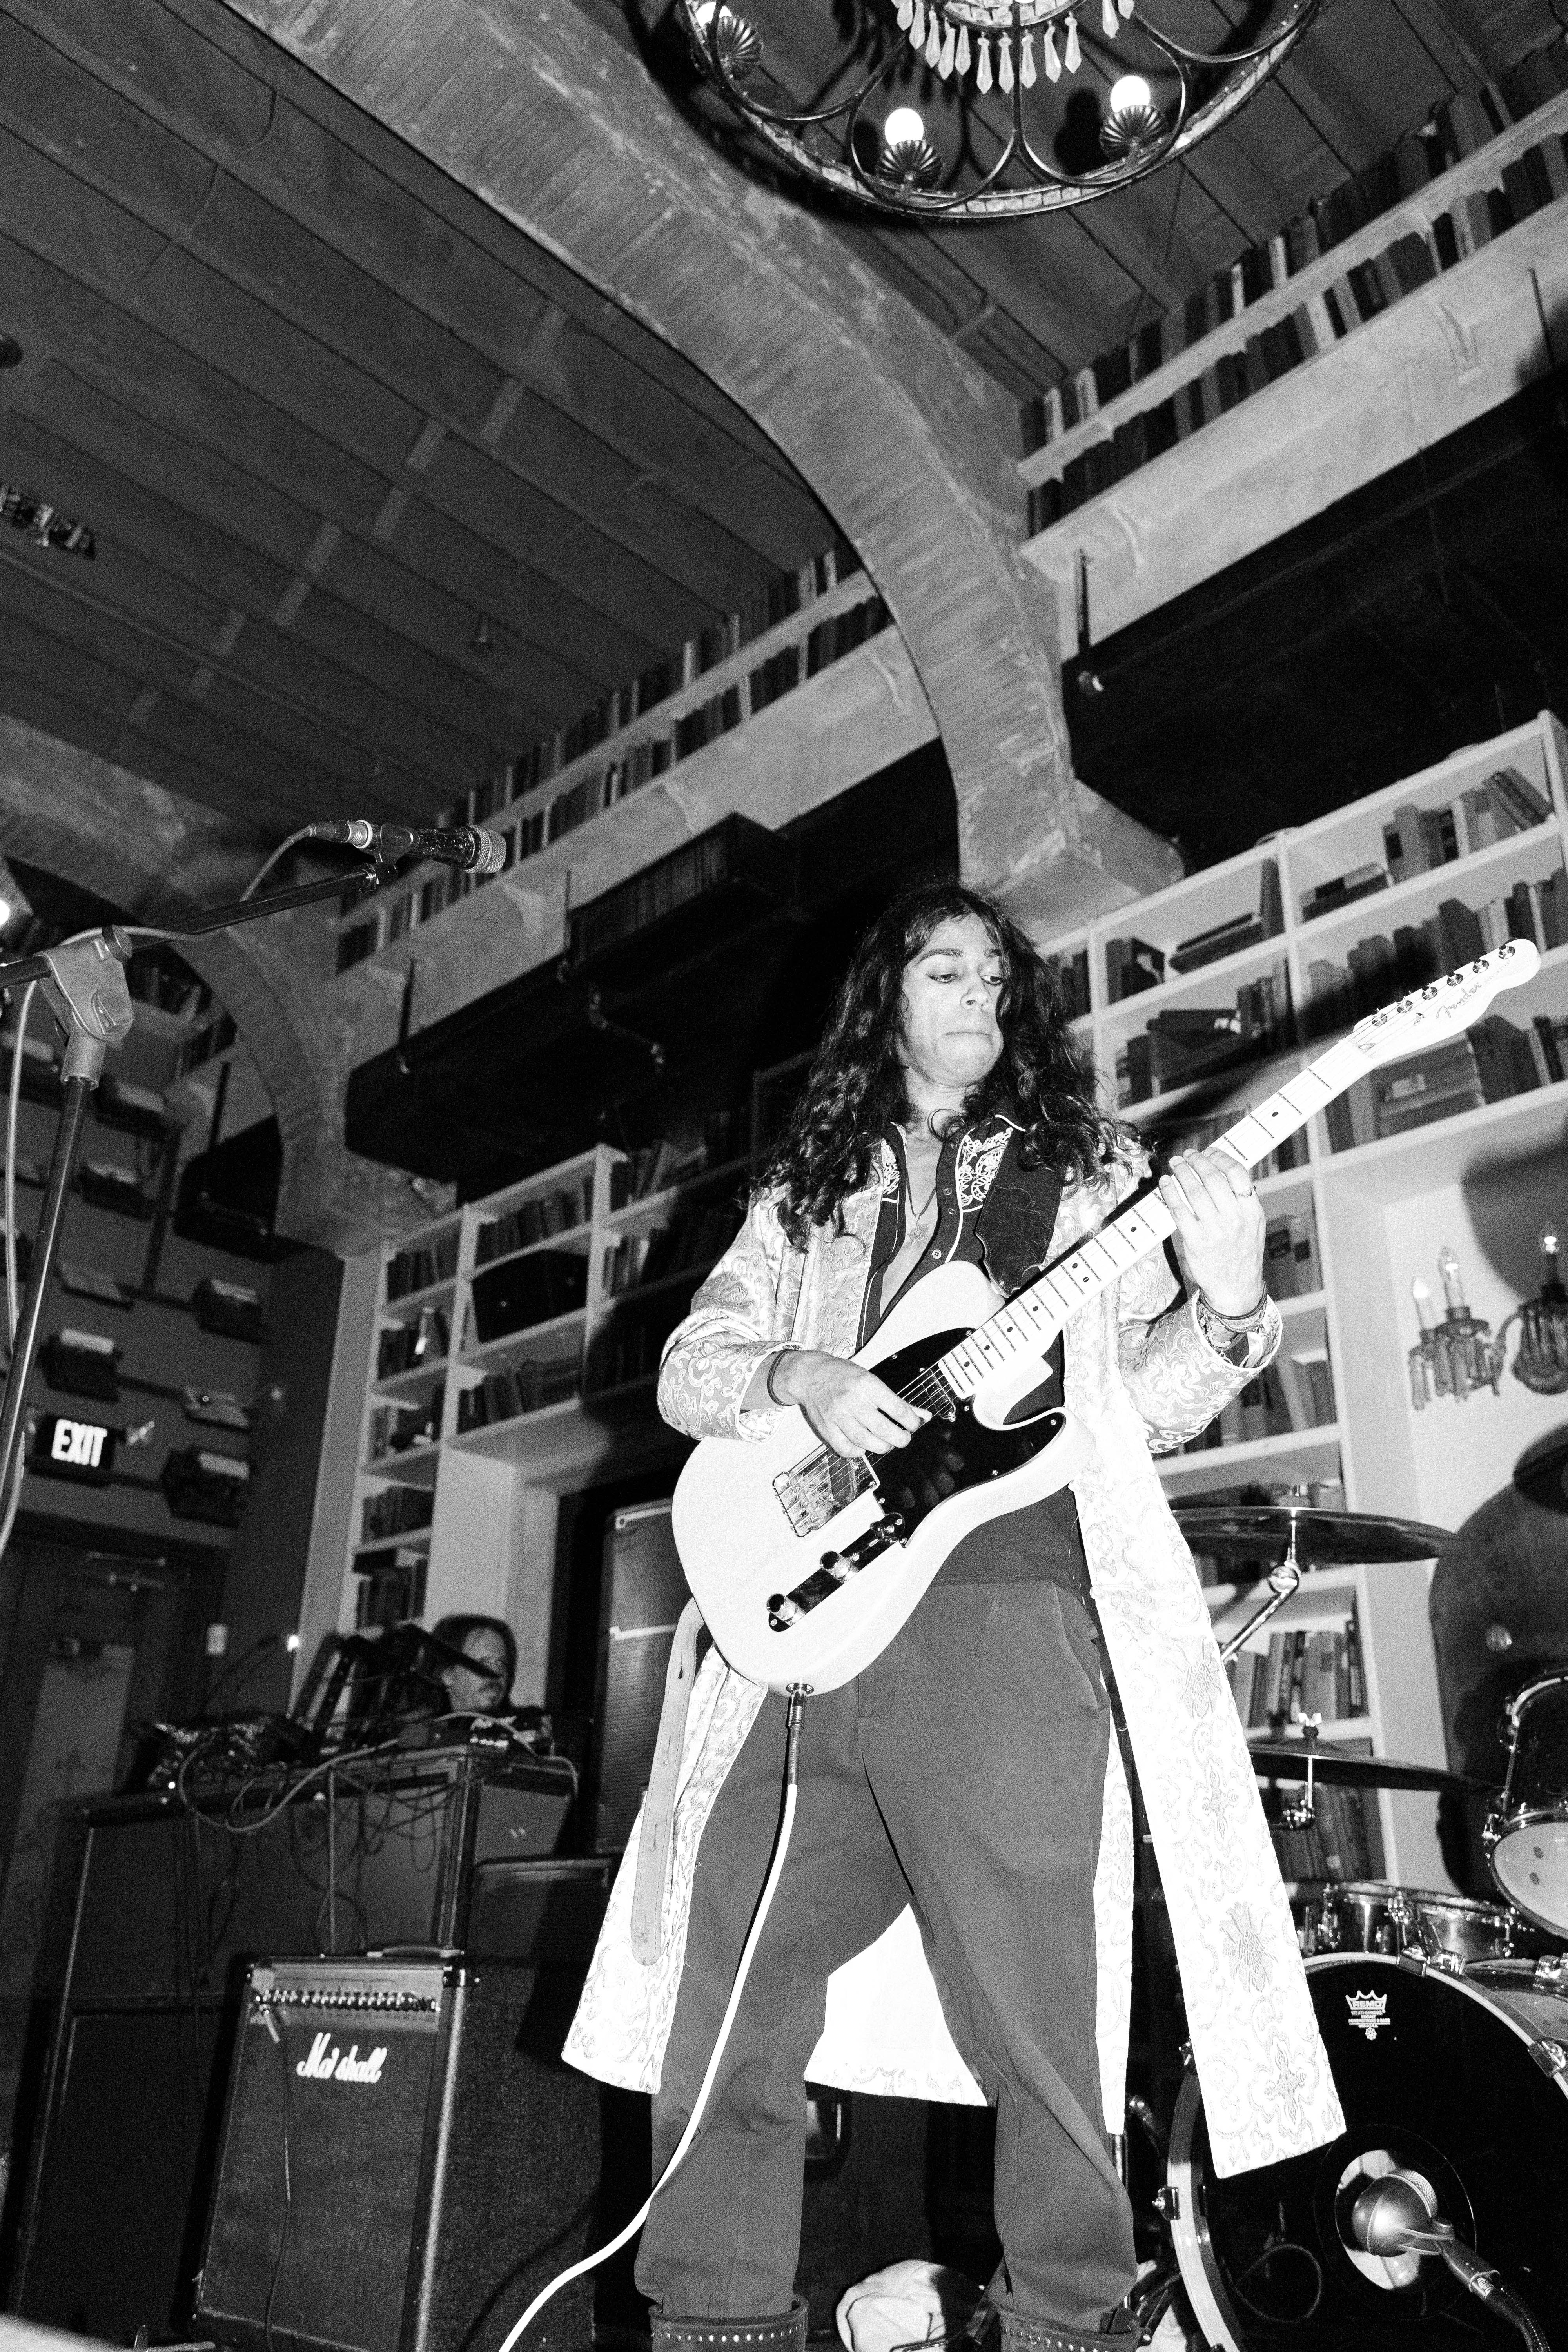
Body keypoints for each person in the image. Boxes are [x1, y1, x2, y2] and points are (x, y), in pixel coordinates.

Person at [566, 883, 1343, 2352]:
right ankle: (713, 2318)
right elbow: (689, 1364)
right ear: (886, 1003)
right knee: (725, 1986)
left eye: (996, 973)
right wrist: (798, 1375)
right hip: (811, 1621)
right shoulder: (810, 1187)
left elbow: (1150, 1404)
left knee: (1037, 2009)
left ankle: (1064, 2319)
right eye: (943, 969)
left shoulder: (1097, 1171)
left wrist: (1231, 1302)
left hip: (1001, 1602)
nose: (978, 992)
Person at [430, 1613, 517, 1717]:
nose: (496, 1672)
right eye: (483, 1663)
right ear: (448, 1675)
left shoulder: (522, 1725)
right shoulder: (422, 1726)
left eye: (501, 1663)